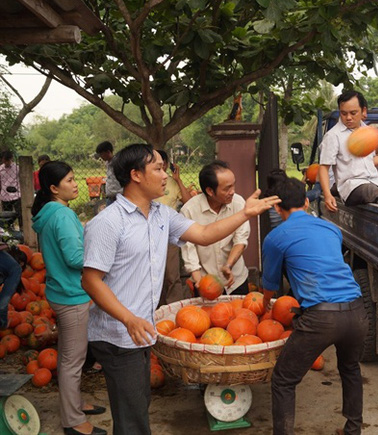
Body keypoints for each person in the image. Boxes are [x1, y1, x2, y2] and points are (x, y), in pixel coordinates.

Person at [81, 144, 279, 434]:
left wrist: (244, 214)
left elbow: (203, 234)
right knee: (132, 416)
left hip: (140, 330)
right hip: (117, 334)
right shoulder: (108, 223)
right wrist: (128, 318)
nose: (166, 176)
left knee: (136, 408)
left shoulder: (162, 214)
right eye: (158, 169)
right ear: (135, 175)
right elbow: (90, 280)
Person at [262, 176, 368, 435]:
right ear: (307, 202)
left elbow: (271, 285)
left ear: (277, 208)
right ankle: (353, 430)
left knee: (283, 380)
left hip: (321, 318)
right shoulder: (331, 228)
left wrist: (265, 306)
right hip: (356, 311)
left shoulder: (276, 237)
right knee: (350, 368)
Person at [31, 161, 107, 435]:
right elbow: (75, 258)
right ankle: (73, 421)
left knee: (68, 356)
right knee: (72, 361)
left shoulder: (51, 212)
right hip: (72, 295)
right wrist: (101, 254)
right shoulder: (61, 215)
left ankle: (74, 403)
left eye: (75, 178)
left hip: (59, 291)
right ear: (53, 188)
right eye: (70, 180)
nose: (76, 184)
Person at [180, 161, 251, 295]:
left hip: (236, 281)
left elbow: (241, 240)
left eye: (233, 185)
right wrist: (199, 282)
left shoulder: (238, 203)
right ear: (210, 191)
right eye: (227, 188)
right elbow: (189, 251)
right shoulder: (189, 211)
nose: (233, 192)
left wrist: (228, 266)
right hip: (205, 282)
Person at [155, 150, 192, 305]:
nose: (161, 167)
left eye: (162, 163)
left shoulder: (171, 182)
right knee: (155, 276)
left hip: (169, 234)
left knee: (172, 274)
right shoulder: (146, 183)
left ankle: (173, 307)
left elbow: (188, 200)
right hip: (150, 234)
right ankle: (158, 307)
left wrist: (178, 180)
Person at [95, 141, 122, 205]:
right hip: (110, 198)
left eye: (101, 154)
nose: (100, 157)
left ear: (108, 152)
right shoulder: (108, 164)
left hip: (119, 198)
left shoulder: (118, 163)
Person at [0, 151, 22, 229]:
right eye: (4, 161)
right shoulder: (0, 169)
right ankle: (8, 230)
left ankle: (22, 231)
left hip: (16, 195)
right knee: (6, 217)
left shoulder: (17, 168)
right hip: (5, 196)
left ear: (11, 159)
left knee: (20, 214)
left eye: (7, 160)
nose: (6, 162)